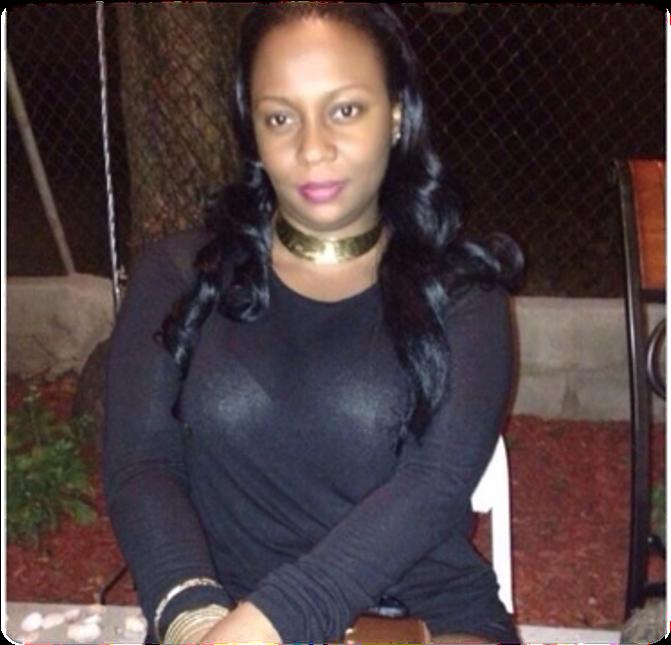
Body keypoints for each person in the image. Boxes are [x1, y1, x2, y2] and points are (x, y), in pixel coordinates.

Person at [103, 3, 525, 643]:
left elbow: (434, 486)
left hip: (416, 619)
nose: (312, 148)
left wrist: (271, 625)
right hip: (218, 615)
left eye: (345, 109)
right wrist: (193, 620)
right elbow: (143, 465)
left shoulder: (464, 295)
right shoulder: (180, 274)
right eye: (281, 117)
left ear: (397, 114)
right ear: (252, 129)